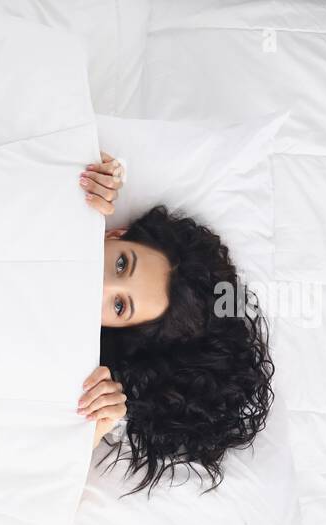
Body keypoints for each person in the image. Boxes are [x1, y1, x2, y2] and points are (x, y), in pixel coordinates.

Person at [76, 153, 275, 493]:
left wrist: (89, 432)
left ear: (116, 327)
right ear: (117, 235)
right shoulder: (75, 208)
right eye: (122, 264)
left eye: (120, 305)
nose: (102, 284)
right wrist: (91, 168)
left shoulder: (75, 370)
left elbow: (31, 489)